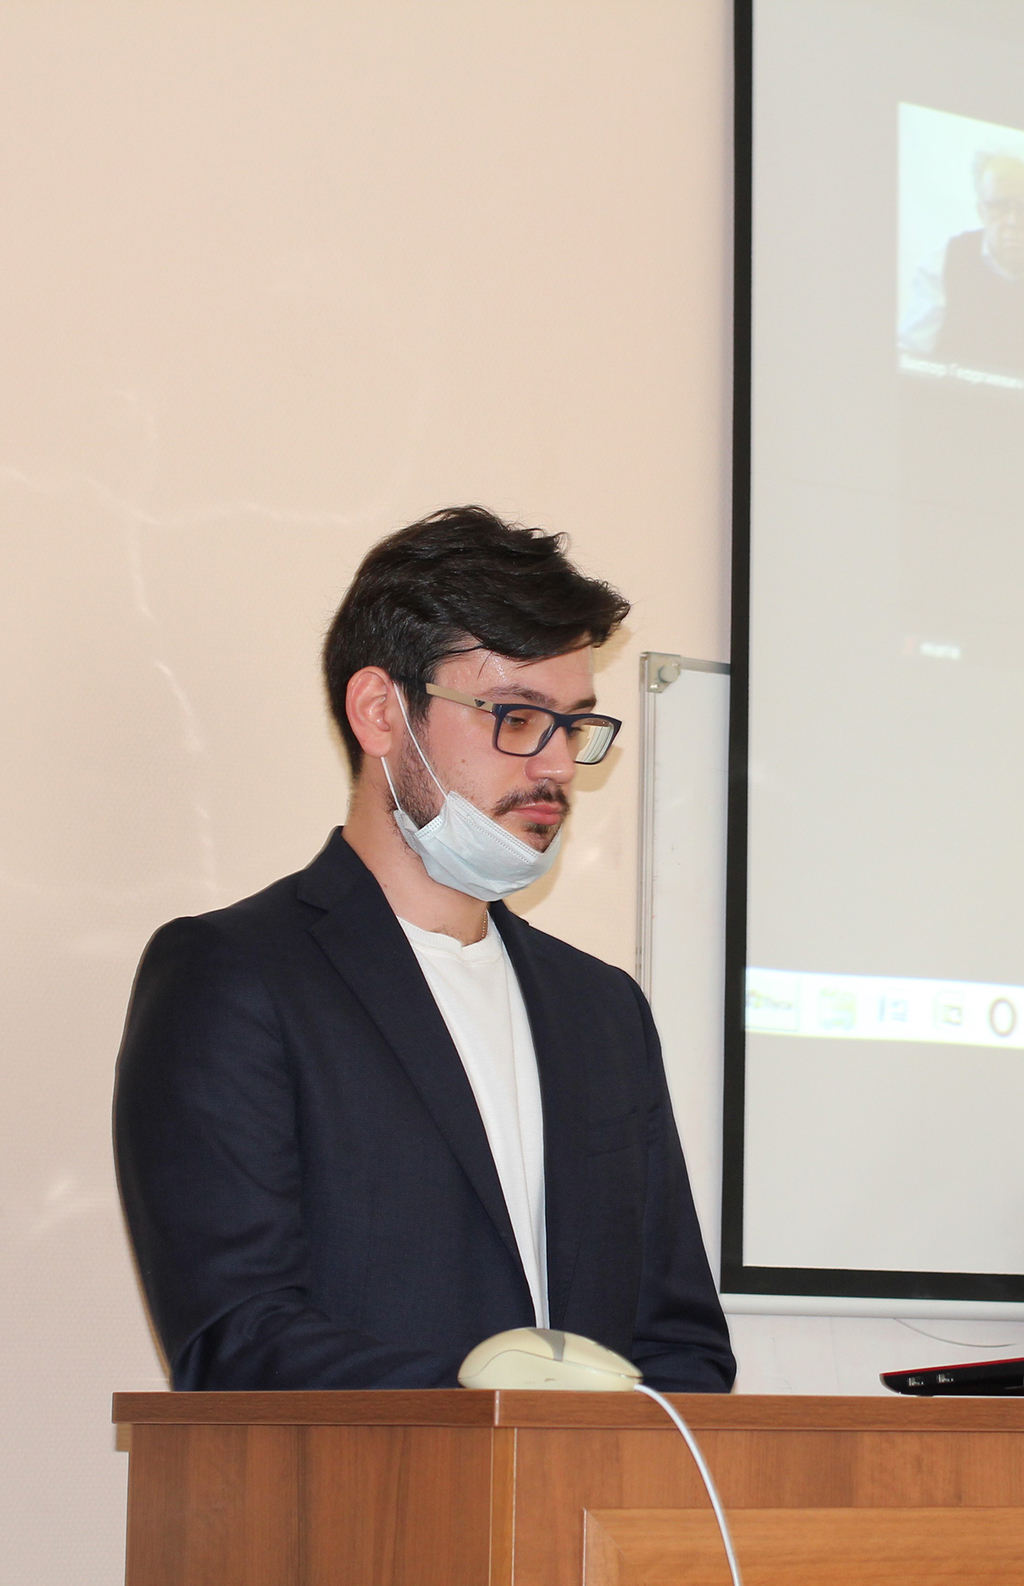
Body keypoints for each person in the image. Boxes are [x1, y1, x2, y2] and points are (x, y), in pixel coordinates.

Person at [114, 505, 735, 1393]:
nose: (558, 765)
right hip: (365, 1487)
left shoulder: (602, 1010)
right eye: (516, 716)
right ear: (380, 711)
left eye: (573, 725)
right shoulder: (235, 976)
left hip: (591, 1490)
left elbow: (681, 1347)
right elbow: (237, 1341)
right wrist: (489, 1401)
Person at [899, 152, 1024, 371]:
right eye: (999, 206)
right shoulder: (944, 263)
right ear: (981, 211)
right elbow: (910, 355)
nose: (1013, 220)